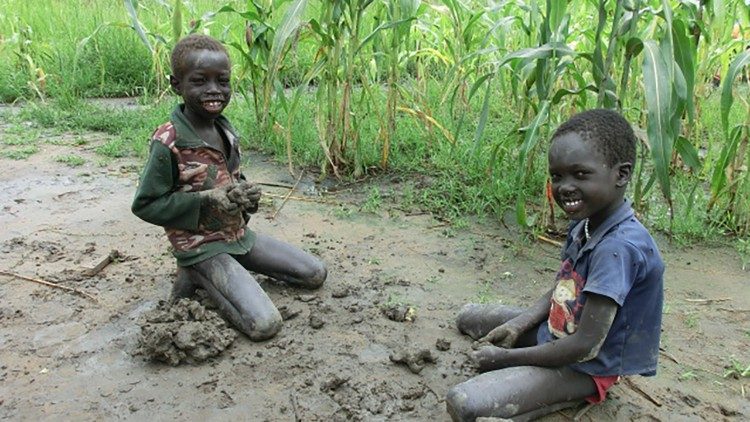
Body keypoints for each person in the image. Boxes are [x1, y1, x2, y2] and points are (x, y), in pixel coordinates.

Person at [446, 109, 664, 421]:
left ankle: (555, 395)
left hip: (587, 364)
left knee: (463, 402)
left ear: (621, 174)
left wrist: (505, 358)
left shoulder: (618, 248)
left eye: (580, 174)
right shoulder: (587, 222)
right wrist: (516, 325)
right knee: (469, 317)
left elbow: (585, 346)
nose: (564, 187)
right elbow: (562, 289)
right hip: (560, 330)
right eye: (557, 176)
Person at [131, 34, 327, 341]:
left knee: (315, 273)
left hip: (237, 236)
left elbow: (231, 179)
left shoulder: (223, 128)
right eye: (199, 81)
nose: (214, 90)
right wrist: (208, 201)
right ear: (176, 85)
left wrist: (246, 195)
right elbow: (145, 205)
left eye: (222, 81)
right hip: (201, 247)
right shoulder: (168, 141)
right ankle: (196, 273)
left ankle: (228, 271)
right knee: (264, 324)